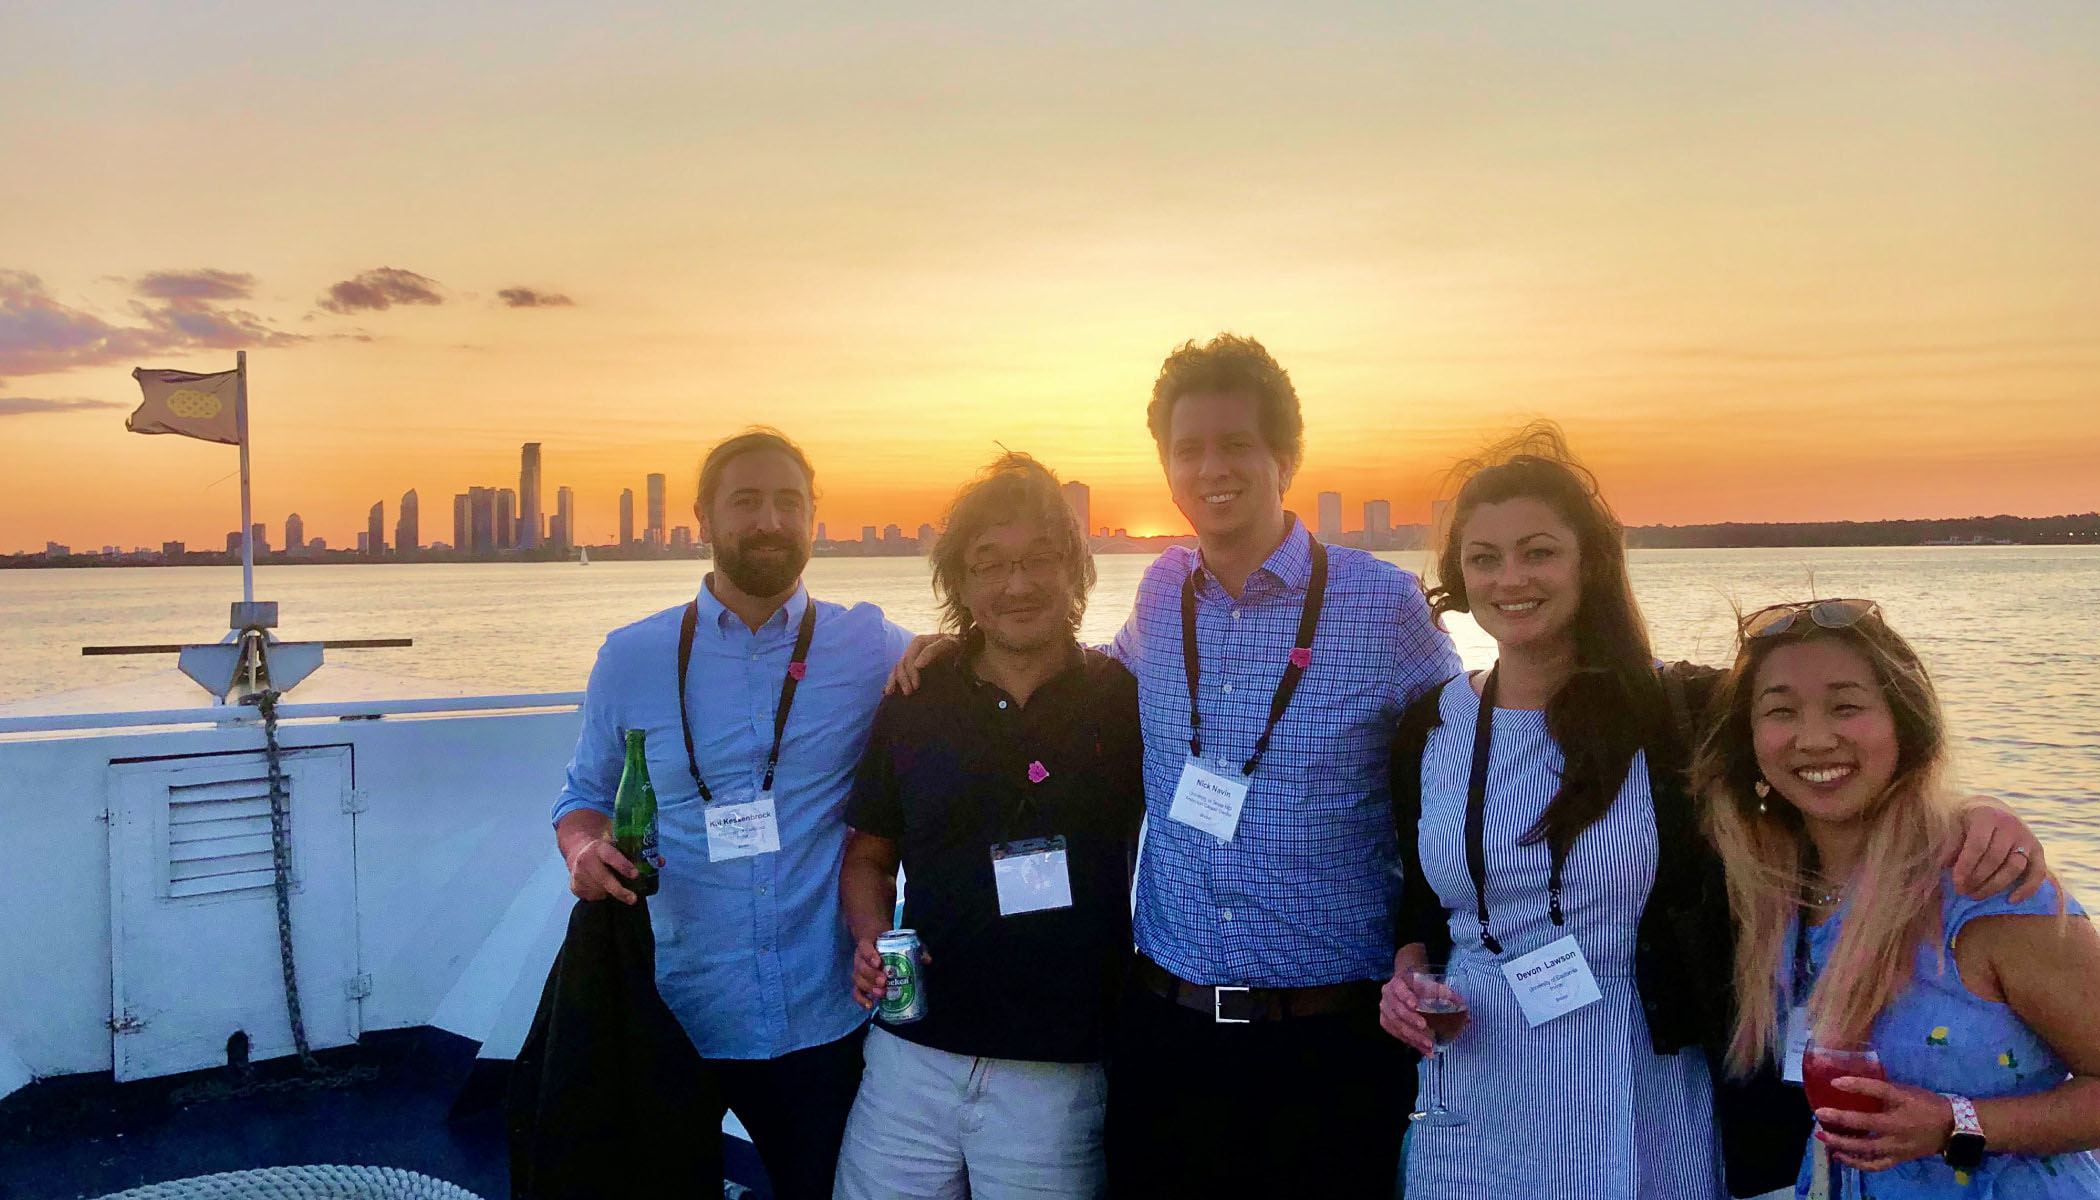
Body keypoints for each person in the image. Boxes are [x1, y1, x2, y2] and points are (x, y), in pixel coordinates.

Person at [1377, 425, 2052, 1200]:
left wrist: (1973, 813)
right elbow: (1426, 909)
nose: (1510, 578)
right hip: (1476, 1079)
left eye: (1538, 551)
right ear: (1461, 575)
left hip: (1642, 1086)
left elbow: (1825, 774)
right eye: (1483, 557)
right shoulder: (1428, 728)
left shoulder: (1685, 712)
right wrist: (1406, 981)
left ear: (1589, 563)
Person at [1101, 335, 1464, 1195]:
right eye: (1187, 449)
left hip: (1329, 1047)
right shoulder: (1160, 591)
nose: (1210, 468)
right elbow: (1088, 683)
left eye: (1236, 445)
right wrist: (955, 652)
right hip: (1170, 1034)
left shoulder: (1383, 605)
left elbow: (1466, 754)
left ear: (1285, 458)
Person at [551, 428, 912, 1200]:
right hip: (674, 1010)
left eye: (789, 502)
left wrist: (945, 650)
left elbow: (966, 662)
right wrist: (584, 850)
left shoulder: (870, 644)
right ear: (704, 519)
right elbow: (582, 796)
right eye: (745, 502)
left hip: (820, 1015)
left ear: (815, 517)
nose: (769, 521)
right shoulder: (631, 657)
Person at [1694, 598, 2100, 1198]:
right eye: (1781, 711)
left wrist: (1955, 1124)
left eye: (1846, 706)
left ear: (1904, 727)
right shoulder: (1773, 894)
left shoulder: (1984, 893)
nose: (1813, 738)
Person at [833, 452, 1143, 1199]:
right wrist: (872, 938)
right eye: (990, 563)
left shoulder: (1122, 700)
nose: (1018, 584)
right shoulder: (917, 695)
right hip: (913, 1057)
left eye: (1041, 559)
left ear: (1075, 570)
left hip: (1058, 1075)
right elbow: (868, 857)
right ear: (961, 583)